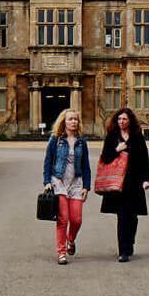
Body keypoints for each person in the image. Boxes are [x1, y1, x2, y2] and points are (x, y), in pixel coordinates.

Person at [99, 108, 149, 262]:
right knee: (122, 216)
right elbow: (105, 158)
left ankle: (130, 242)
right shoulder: (112, 137)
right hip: (118, 182)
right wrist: (117, 149)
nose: (121, 122)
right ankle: (123, 251)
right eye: (119, 119)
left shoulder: (137, 137)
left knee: (132, 216)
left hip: (134, 182)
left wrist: (146, 179)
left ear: (130, 121)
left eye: (124, 119)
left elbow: (144, 159)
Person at [42, 109, 91, 265]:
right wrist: (47, 181)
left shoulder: (81, 141)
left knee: (76, 219)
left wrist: (86, 186)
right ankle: (61, 252)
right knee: (63, 219)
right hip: (59, 181)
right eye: (70, 119)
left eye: (76, 119)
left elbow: (86, 165)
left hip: (76, 182)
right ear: (64, 121)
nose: (74, 122)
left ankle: (71, 239)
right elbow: (48, 161)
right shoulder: (55, 139)